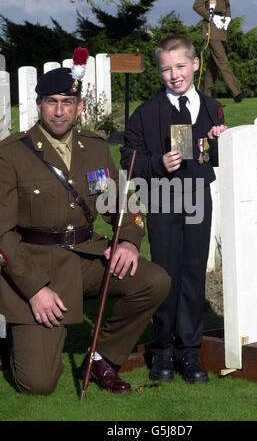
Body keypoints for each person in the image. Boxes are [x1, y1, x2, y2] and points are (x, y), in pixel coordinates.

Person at [0, 49, 170, 396]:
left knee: (153, 280)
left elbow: (125, 201)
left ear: (79, 107)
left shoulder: (93, 147)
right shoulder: (11, 153)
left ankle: (103, 357)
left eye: (67, 101)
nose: (60, 110)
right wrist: (34, 290)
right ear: (39, 105)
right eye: (51, 102)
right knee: (38, 384)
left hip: (85, 260)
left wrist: (127, 239)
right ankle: (15, 342)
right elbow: (2, 233)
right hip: (36, 268)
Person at [121, 35, 226, 384]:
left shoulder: (211, 107)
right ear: (159, 72)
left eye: (180, 66)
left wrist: (222, 142)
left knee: (194, 274)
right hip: (163, 201)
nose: (174, 75)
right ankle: (163, 349)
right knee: (166, 276)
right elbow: (128, 160)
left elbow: (214, 158)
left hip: (198, 199)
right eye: (166, 69)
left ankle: (190, 353)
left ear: (194, 64)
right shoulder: (147, 112)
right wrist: (156, 164)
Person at [193, 0, 246, 103]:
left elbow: (227, 5)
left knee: (214, 66)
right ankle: (236, 92)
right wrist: (211, 17)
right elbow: (197, 6)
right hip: (211, 29)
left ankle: (206, 96)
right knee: (222, 61)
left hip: (220, 28)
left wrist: (228, 17)